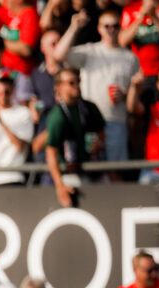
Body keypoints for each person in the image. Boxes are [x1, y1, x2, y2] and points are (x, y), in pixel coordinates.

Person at [55, 9, 140, 161]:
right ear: (99, 29)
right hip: (90, 122)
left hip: (116, 120)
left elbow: (137, 93)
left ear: (120, 27)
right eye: (106, 26)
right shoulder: (90, 51)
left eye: (115, 26)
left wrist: (125, 94)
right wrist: (74, 27)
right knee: (91, 168)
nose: (111, 30)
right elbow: (58, 55)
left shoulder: (131, 58)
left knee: (115, 169)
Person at [44, 67, 105, 208]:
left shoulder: (89, 108)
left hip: (95, 171)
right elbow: (51, 152)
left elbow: (102, 135)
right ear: (59, 87)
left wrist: (99, 143)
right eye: (71, 83)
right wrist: (60, 185)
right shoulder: (57, 116)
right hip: (71, 174)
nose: (76, 85)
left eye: (78, 81)